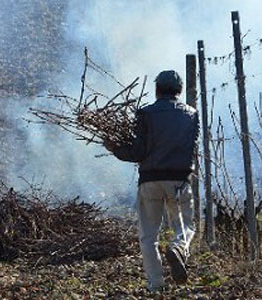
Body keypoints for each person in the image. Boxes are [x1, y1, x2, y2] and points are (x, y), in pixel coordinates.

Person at [104, 70, 199, 292]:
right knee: (185, 226)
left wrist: (115, 149)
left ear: (157, 90)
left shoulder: (145, 113)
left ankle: (156, 286)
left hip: (150, 181)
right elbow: (193, 149)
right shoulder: (192, 114)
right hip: (179, 180)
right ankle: (178, 247)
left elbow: (138, 152)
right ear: (180, 90)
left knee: (148, 236)